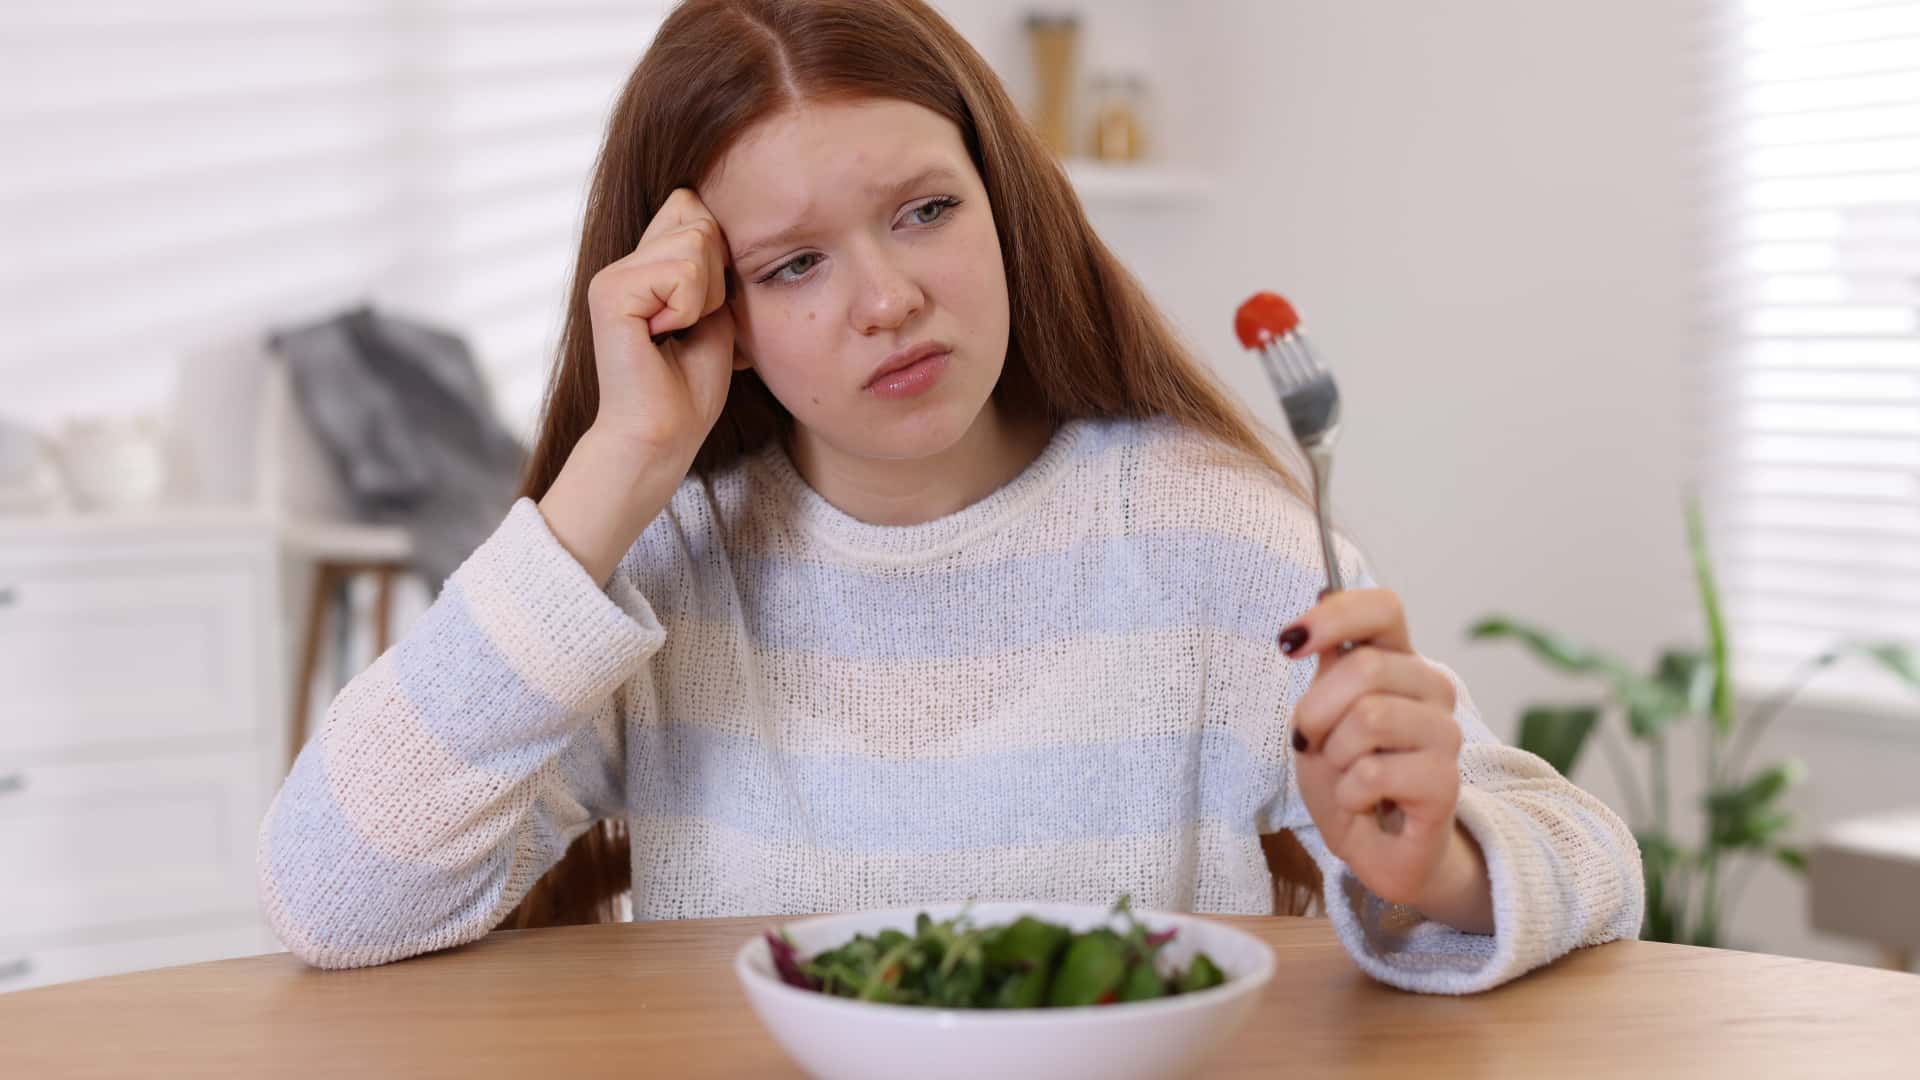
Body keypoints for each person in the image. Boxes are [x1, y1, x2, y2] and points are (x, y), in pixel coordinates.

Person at [258, 0, 1641, 995]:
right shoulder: (668, 563)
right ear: (705, 310)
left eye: (925, 210)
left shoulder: (1202, 533)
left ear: (1006, 203)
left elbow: (1587, 857)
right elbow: (329, 893)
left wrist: (1439, 864)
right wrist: (619, 463)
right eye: (794, 264)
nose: (890, 298)